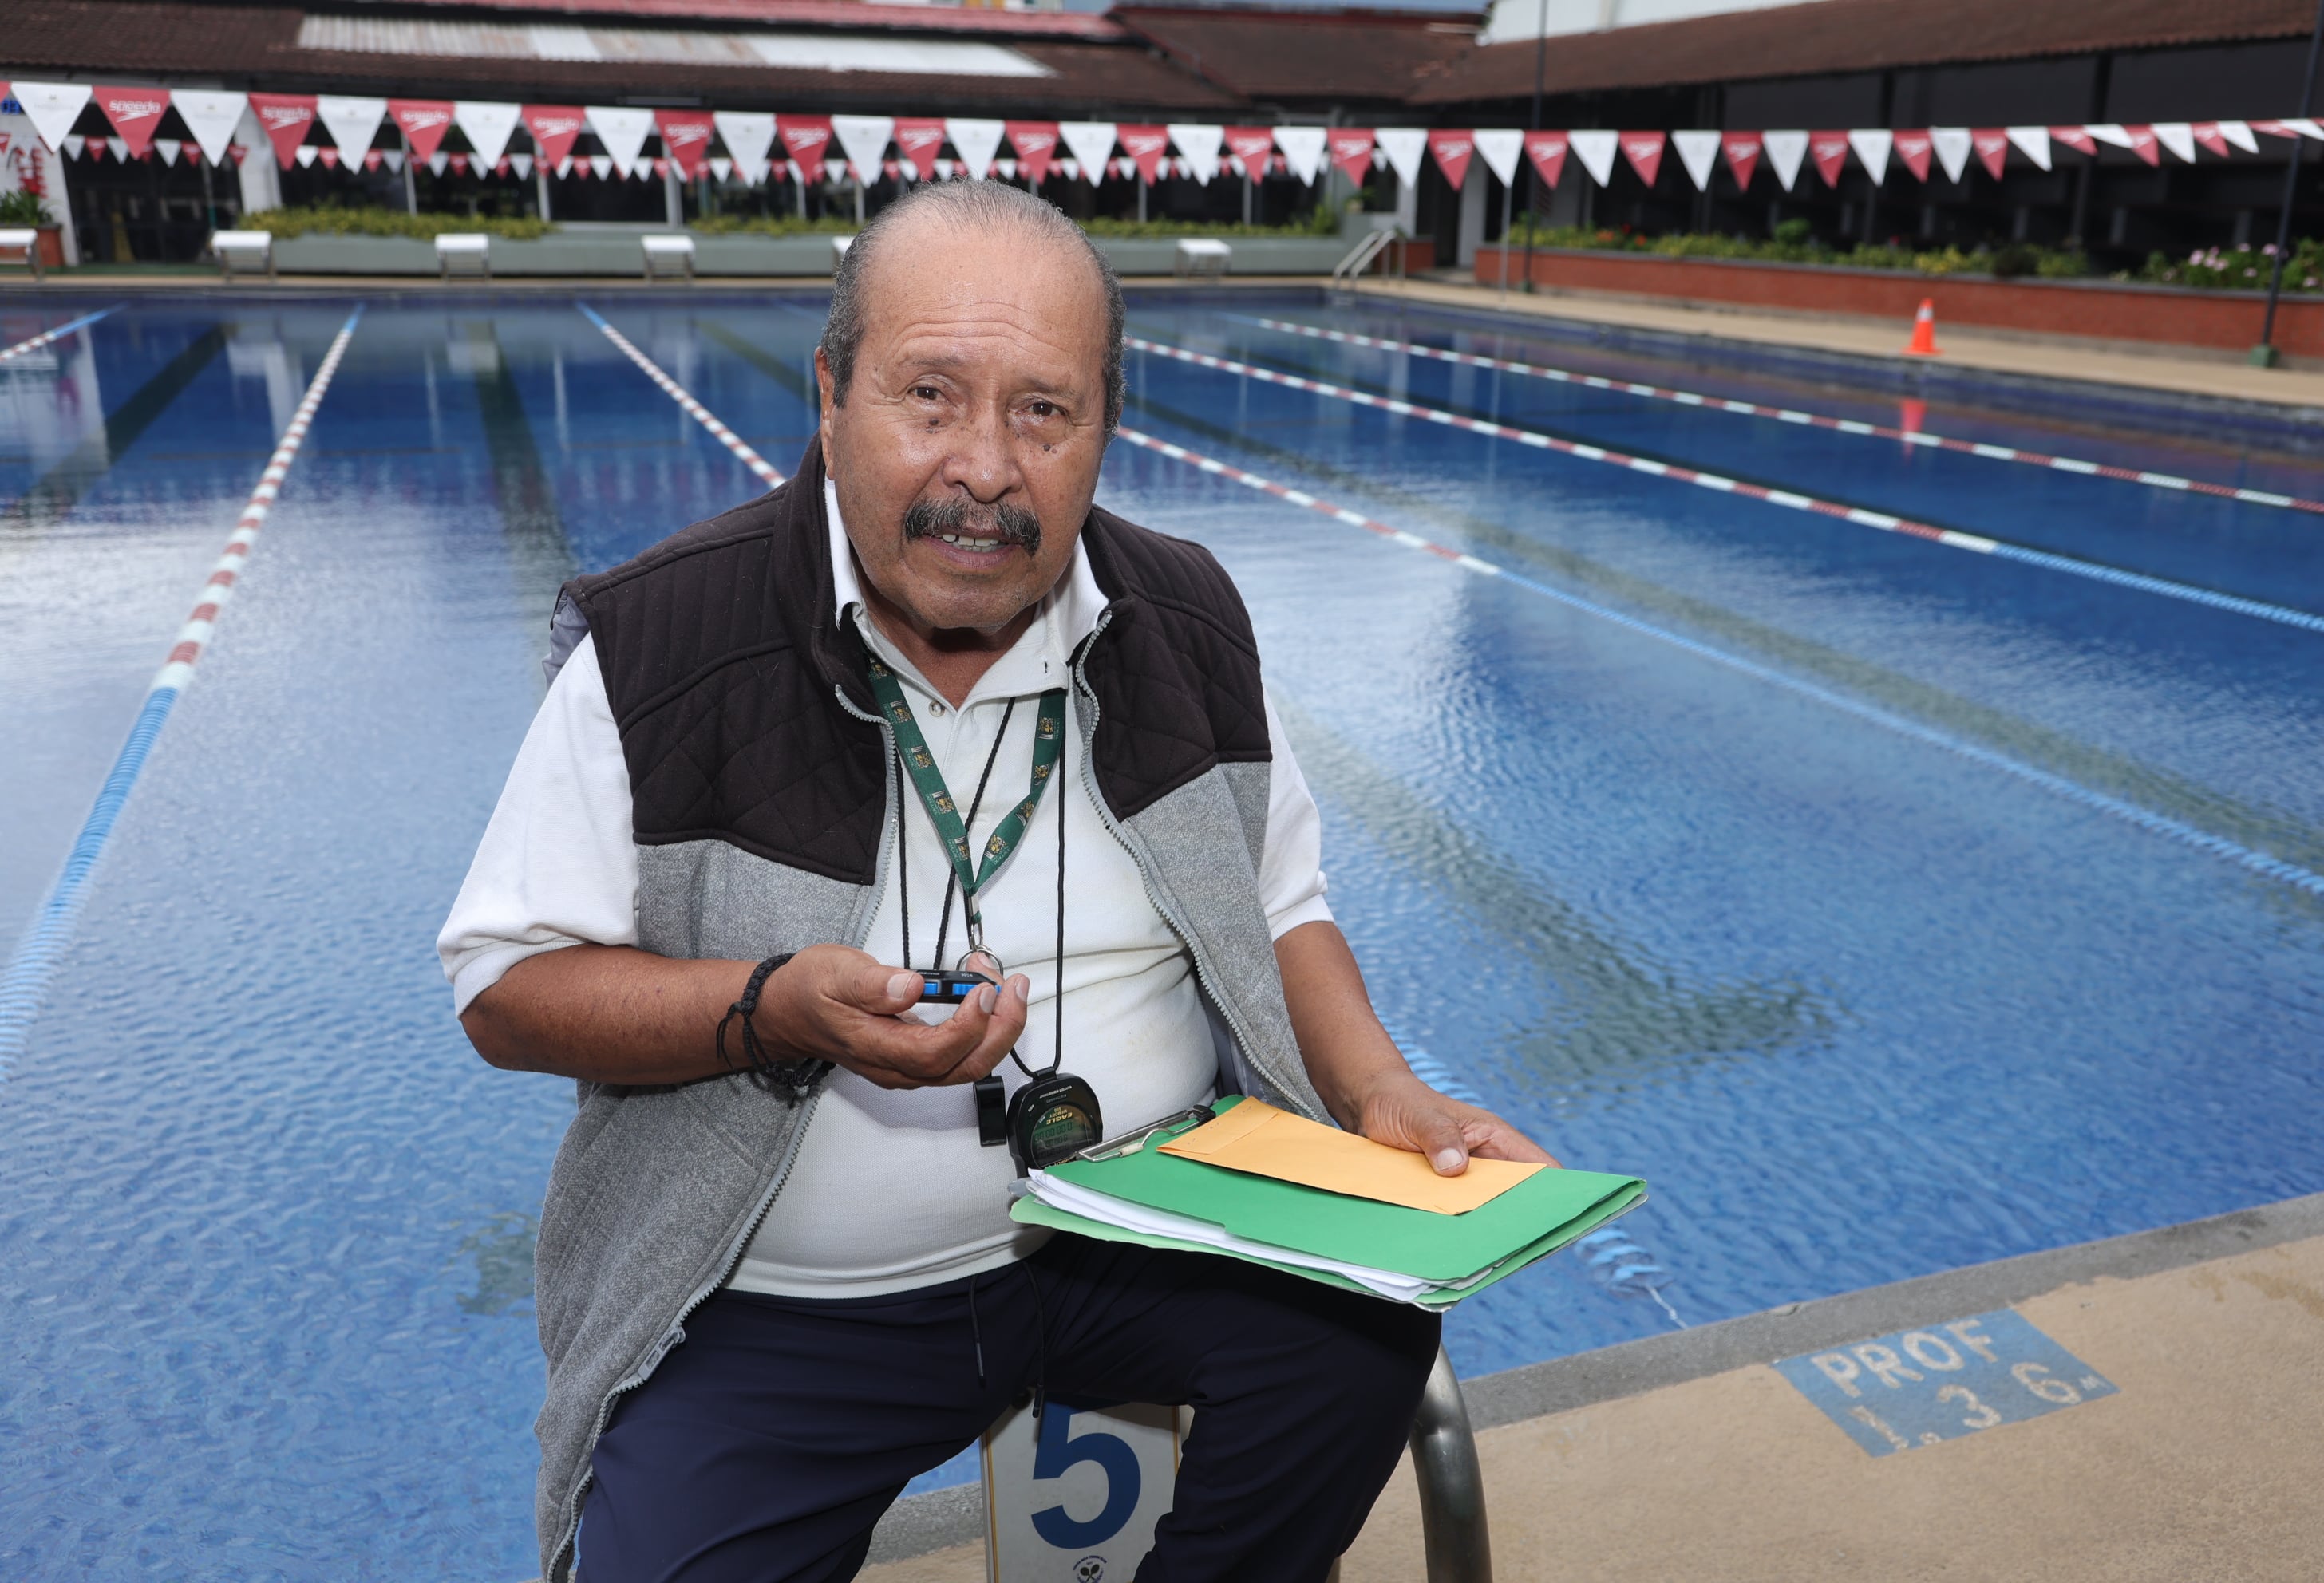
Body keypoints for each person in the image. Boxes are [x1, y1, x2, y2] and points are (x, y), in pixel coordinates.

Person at [438, 180, 1554, 1583]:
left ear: (1105, 425)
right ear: (830, 395)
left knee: (1363, 1335)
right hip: (785, 1301)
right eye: (930, 398)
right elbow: (507, 989)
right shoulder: (667, 642)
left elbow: (1280, 902)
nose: (983, 467)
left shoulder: (1185, 618)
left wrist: (1377, 1092)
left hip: (1145, 1226)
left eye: (1043, 411)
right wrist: (773, 1006)